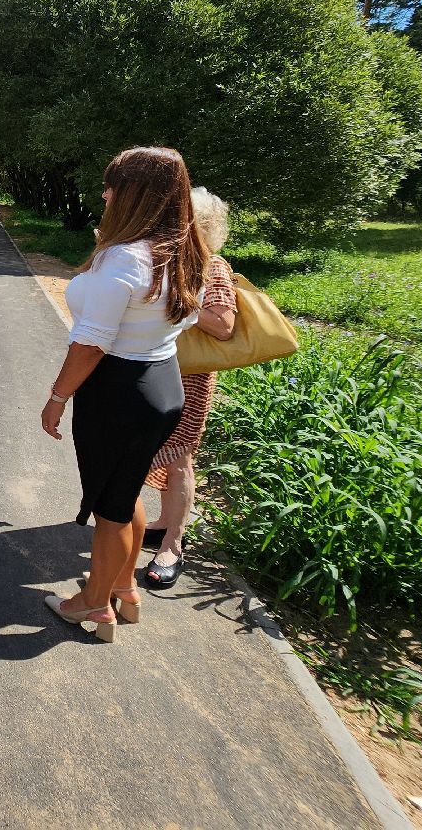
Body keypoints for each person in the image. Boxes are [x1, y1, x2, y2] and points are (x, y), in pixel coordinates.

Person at [39, 147, 207, 642]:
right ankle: (124, 589)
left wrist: (57, 396)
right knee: (126, 489)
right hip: (161, 382)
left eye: (113, 185)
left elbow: (90, 344)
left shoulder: (124, 258)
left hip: (117, 389)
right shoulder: (183, 249)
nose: (105, 193)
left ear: (136, 195)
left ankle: (94, 606)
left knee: (109, 506)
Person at [142, 188, 237, 589]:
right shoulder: (166, 262)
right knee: (152, 450)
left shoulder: (212, 268)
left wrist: (182, 298)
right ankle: (164, 522)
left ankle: (174, 546)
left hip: (188, 378)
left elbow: (224, 325)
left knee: (178, 456)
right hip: (153, 371)